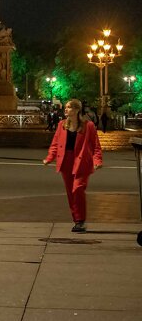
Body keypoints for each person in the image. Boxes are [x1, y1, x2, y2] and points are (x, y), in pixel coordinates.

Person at [43, 98, 103, 233]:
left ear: (77, 110)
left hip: (82, 161)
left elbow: (96, 146)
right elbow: (55, 144)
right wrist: (49, 158)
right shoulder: (61, 125)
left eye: (69, 107)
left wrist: (97, 160)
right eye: (66, 107)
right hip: (66, 161)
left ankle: (81, 220)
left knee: (78, 189)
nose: (66, 109)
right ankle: (77, 221)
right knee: (71, 192)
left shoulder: (88, 126)